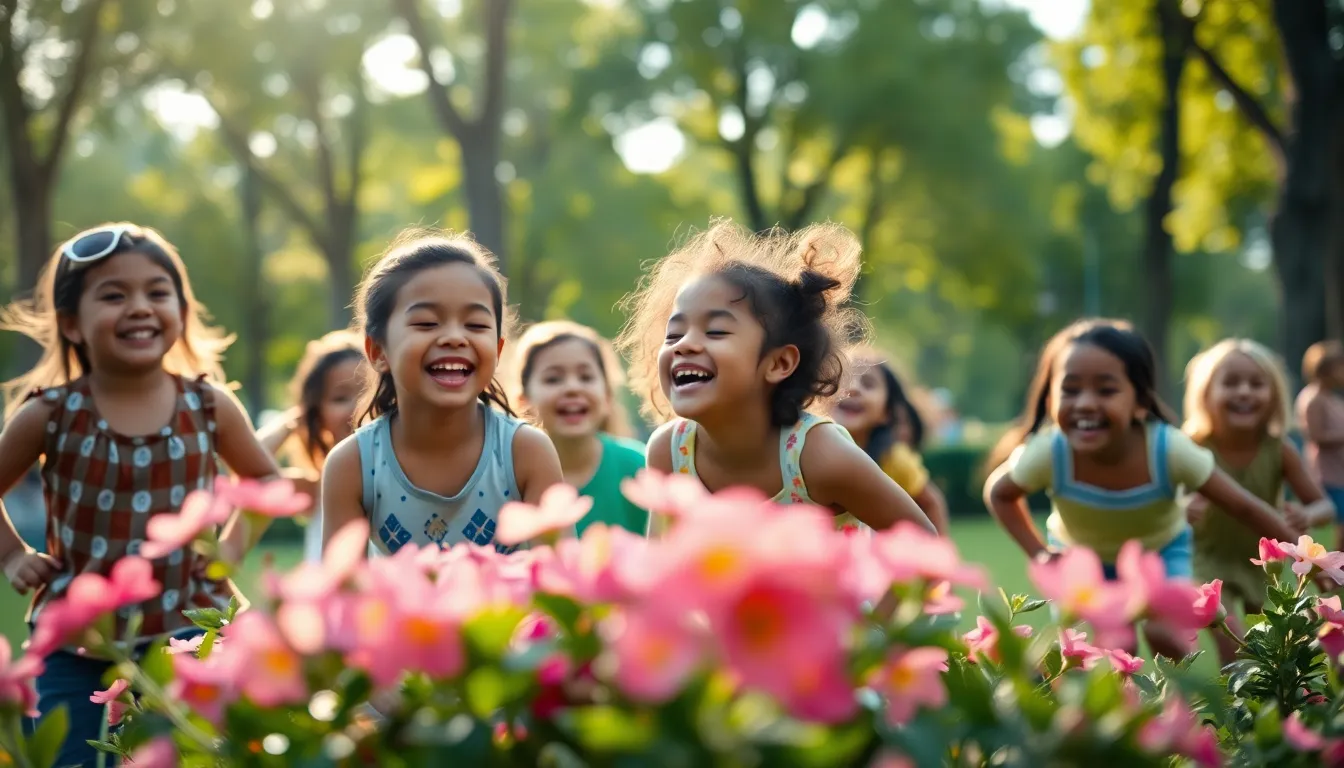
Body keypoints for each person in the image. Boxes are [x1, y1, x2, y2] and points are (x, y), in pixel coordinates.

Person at [0, 223, 279, 766]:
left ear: (181, 310)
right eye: (113, 295)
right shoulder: (50, 414)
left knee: (205, 754)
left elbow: (265, 483)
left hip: (193, 627)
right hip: (76, 636)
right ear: (71, 324)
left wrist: (231, 552)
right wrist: (11, 554)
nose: (139, 307)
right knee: (68, 757)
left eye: (157, 292)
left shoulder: (208, 406)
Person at [983, 319, 1298, 658]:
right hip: (1083, 562)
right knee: (1105, 652)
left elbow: (1244, 507)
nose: (1086, 403)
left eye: (1105, 390)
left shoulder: (1169, 450)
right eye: (1070, 390)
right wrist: (1040, 554)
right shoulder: (1050, 451)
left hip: (1160, 555)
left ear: (1140, 402)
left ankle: (1191, 704)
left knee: (1166, 635)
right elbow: (999, 494)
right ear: (1050, 398)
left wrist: (1306, 561)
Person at [614, 220, 934, 535]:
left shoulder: (819, 455)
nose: (684, 345)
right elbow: (659, 567)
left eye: (716, 331)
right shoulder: (669, 451)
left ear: (780, 362)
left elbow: (924, 545)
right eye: (674, 334)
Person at [320, 229, 563, 556]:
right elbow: (340, 594)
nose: (454, 337)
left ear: (498, 348)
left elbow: (563, 581)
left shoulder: (526, 452)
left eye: (476, 325)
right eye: (426, 323)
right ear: (378, 351)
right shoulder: (353, 465)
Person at [1182, 338, 1333, 664]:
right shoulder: (1191, 447)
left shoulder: (1280, 450)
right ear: (1205, 393)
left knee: (1266, 650)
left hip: (1265, 566)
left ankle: (1269, 707)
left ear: (1274, 395)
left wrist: (1308, 514)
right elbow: (1162, 501)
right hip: (1206, 558)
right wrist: (1178, 508)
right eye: (1231, 383)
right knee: (1228, 637)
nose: (1244, 391)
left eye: (1256, 383)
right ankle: (1236, 705)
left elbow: (1325, 507)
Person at [505, 320, 648, 536]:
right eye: (553, 379)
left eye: (586, 377)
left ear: (607, 395)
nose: (572, 388)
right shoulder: (508, 475)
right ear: (523, 400)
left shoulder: (639, 466)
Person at [256, 329, 366, 560]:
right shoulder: (318, 486)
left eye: (368, 393)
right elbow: (250, 463)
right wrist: (297, 418)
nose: (358, 408)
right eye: (340, 398)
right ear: (317, 413)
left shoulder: (400, 473)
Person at [831, 348, 950, 534]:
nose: (853, 388)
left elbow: (932, 503)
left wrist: (938, 556)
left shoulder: (894, 460)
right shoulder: (804, 448)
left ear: (886, 412)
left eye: (868, 384)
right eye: (842, 380)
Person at [1296, 340, 1344, 551]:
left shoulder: (1332, 398)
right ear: (1325, 369)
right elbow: (1315, 436)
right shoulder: (1313, 399)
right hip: (1326, 474)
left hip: (1339, 471)